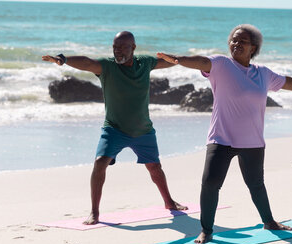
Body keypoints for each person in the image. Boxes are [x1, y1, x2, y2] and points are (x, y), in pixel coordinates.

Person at [157, 24, 292, 244]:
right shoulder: (221, 65)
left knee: (256, 184)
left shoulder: (263, 74)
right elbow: (201, 61)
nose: (236, 44)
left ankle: (269, 221)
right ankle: (207, 230)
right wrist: (177, 59)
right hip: (221, 138)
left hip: (252, 141)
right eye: (234, 40)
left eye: (242, 41)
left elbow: (288, 82)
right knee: (210, 183)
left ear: (253, 48)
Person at [42, 31, 187, 225]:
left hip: (142, 129)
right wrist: (64, 59)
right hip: (114, 128)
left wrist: (183, 59)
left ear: (133, 48)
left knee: (155, 167)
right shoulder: (108, 67)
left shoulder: (145, 63)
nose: (118, 52)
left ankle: (169, 202)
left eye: (122, 48)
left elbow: (171, 62)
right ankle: (94, 212)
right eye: (115, 48)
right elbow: (86, 62)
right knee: (100, 162)